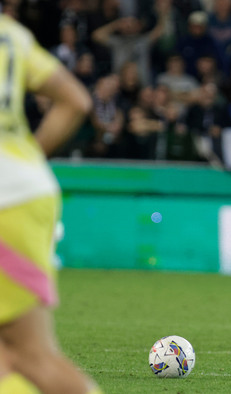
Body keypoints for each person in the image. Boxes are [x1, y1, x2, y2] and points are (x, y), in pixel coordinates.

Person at [0, 14, 101, 394]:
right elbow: (75, 100)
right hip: (23, 192)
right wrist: (24, 162)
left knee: (32, 357)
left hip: (6, 203)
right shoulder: (12, 34)